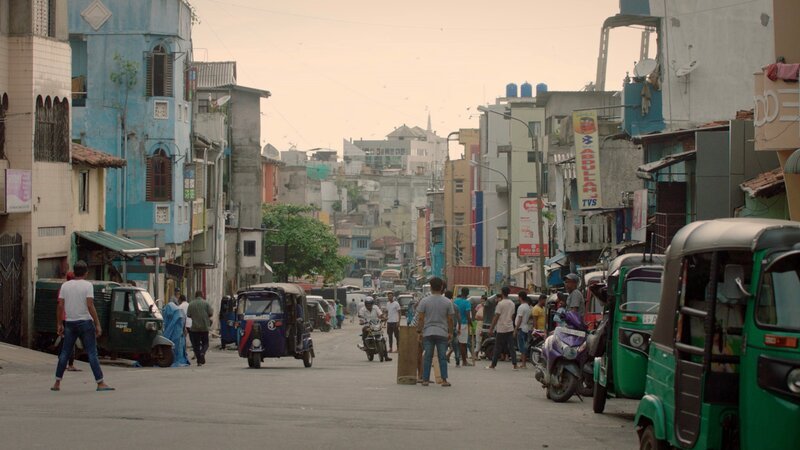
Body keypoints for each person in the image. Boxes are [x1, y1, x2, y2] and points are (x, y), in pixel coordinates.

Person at [51, 261, 113, 392]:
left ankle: (57, 382)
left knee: (64, 353)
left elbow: (60, 305)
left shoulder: (65, 286)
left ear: (74, 272)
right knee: (92, 353)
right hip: (85, 322)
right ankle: (100, 383)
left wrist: (59, 323)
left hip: (70, 323)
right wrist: (97, 323)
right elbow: (90, 305)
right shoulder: (88, 286)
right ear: (86, 273)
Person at [416, 277, 454, 387]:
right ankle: (444, 380)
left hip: (428, 332)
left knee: (428, 356)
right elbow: (450, 319)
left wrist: (419, 332)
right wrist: (450, 332)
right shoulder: (447, 302)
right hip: (442, 333)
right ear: (442, 287)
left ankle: (425, 380)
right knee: (442, 356)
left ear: (431, 287)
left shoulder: (424, 301)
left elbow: (421, 318)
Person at [486, 286, 518, 370]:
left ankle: (493, 365)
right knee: (511, 347)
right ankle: (515, 365)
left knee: (497, 347)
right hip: (510, 327)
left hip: (501, 328)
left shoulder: (500, 304)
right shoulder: (512, 303)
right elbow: (512, 316)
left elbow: (496, 316)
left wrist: (491, 328)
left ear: (502, 293)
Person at [186, 290, 213, 366]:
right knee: (206, 343)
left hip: (195, 328)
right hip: (204, 327)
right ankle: (202, 352)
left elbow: (188, 315)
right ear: (202, 295)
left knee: (196, 345)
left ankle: (199, 361)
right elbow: (211, 313)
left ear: (195, 295)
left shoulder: (191, 304)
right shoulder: (206, 303)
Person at [162, 295, 190, 366]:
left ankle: (174, 359)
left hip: (174, 333)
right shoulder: (179, 311)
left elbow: (166, 323)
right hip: (180, 333)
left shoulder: (170, 309)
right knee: (179, 348)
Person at [453, 287, 473, 367]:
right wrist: (470, 323)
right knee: (463, 344)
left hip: (456, 323)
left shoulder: (456, 301)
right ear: (468, 293)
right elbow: (468, 315)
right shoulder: (467, 303)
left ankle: (458, 358)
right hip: (463, 324)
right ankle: (464, 361)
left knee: (456, 342)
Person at [514, 291, 533, 369]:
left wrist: (515, 329)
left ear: (520, 297)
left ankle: (523, 364)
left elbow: (520, 318)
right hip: (526, 327)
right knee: (523, 345)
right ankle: (523, 363)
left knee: (522, 346)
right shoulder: (528, 307)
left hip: (521, 328)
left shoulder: (521, 307)